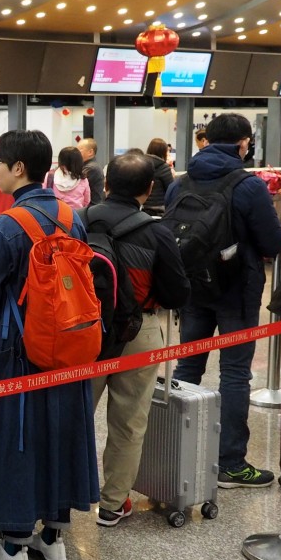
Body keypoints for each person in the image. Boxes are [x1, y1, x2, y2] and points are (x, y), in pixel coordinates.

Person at [0, 130, 99, 560]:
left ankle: (13, 543)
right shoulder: (71, 216)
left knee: (17, 434)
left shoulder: (9, 224)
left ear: (17, 168)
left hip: (19, 346)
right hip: (70, 341)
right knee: (61, 428)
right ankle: (54, 538)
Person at [164, 113, 281, 488]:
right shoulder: (247, 186)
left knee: (186, 370)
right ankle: (231, 463)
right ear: (243, 144)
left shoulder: (180, 183)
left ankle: (178, 454)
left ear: (205, 140)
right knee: (234, 374)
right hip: (236, 292)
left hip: (192, 289)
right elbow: (270, 242)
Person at [89, 153, 190, 526]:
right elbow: (178, 294)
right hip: (138, 331)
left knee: (74, 416)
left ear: (106, 185)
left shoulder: (78, 223)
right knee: (128, 423)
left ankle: (58, 500)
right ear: (149, 190)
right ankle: (113, 504)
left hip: (85, 332)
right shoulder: (157, 232)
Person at [141, 138, 176, 217]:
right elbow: (171, 190)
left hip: (142, 206)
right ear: (163, 151)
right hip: (160, 209)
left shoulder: (141, 164)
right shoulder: (164, 167)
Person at [78, 138, 105, 205]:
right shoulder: (86, 166)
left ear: (90, 152)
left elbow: (75, 185)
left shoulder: (91, 168)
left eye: (79, 149)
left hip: (91, 208)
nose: (76, 152)